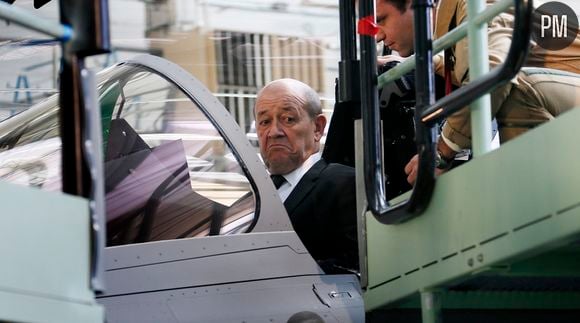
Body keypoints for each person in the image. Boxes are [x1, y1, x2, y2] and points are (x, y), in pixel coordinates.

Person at [374, 0, 580, 184]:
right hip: (566, 110)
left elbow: (493, 74)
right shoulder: (454, 21)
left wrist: (440, 153)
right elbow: (470, 61)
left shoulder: (478, 5)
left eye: (382, 20)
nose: (378, 36)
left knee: (512, 85)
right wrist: (416, 63)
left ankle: (526, 206)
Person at [255, 78, 358, 272]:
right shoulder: (252, 201)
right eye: (264, 122)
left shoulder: (342, 183)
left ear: (317, 128)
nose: (273, 132)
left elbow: (355, 264)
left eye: (288, 119)